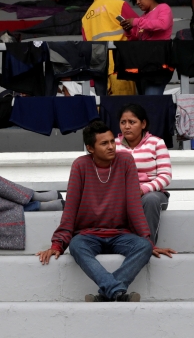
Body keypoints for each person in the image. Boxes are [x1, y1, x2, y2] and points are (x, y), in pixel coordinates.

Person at [36, 121, 176, 302]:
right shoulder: (80, 166)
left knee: (144, 246)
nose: (111, 147)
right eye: (104, 143)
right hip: (88, 235)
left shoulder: (125, 161)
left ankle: (107, 293)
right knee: (76, 246)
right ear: (90, 148)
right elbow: (70, 207)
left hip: (120, 234)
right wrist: (58, 244)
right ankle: (118, 291)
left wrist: (148, 240)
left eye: (112, 141)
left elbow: (134, 204)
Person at [115, 103, 171, 243]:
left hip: (152, 194)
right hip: (123, 194)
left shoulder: (156, 143)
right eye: (123, 122)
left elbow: (165, 176)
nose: (126, 126)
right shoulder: (113, 145)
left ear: (143, 124)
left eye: (132, 122)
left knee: (149, 200)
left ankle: (147, 245)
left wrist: (142, 189)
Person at [81, 0, 138, 96]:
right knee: (124, 107)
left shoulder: (86, 17)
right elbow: (139, 28)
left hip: (98, 69)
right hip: (120, 65)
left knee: (106, 109)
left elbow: (87, 45)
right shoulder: (118, 4)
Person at [120, 0, 174, 95]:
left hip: (158, 64)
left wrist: (136, 22)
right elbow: (137, 38)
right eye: (136, 0)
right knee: (145, 101)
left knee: (151, 99)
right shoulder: (144, 16)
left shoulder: (163, 8)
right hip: (144, 64)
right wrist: (128, 30)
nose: (138, 2)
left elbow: (163, 24)